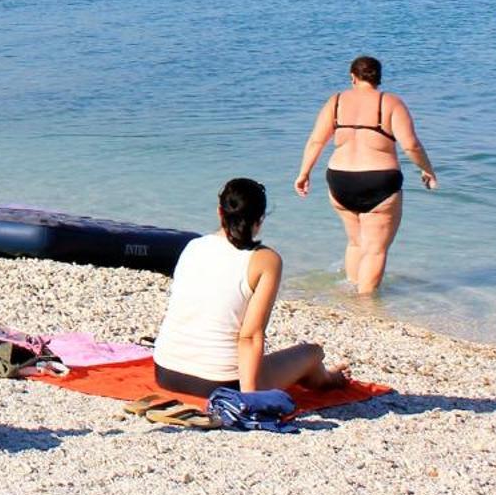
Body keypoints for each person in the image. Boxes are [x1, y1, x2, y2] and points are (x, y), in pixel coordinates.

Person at [152, 178, 350, 397]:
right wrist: (249, 397)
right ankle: (330, 379)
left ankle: (324, 376)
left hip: (165, 372)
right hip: (220, 383)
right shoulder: (265, 260)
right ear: (261, 218)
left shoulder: (193, 246)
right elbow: (250, 336)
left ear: (220, 212)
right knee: (312, 353)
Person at [293, 54, 438, 294]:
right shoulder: (390, 103)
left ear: (353, 77)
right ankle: (365, 306)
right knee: (375, 249)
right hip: (379, 181)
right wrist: (427, 170)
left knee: (355, 242)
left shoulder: (336, 101)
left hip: (340, 179)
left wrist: (303, 173)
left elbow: (316, 140)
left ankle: (351, 292)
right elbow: (411, 145)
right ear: (378, 78)